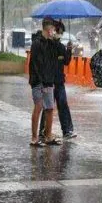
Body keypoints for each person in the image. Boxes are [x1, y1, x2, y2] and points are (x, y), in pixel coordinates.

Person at [39, 21, 77, 141]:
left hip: (59, 81)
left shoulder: (60, 46)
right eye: (58, 32)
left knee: (63, 105)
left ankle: (67, 130)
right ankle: (43, 131)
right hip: (48, 81)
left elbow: (66, 61)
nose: (59, 34)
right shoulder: (46, 45)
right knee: (48, 107)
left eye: (61, 33)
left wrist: (69, 50)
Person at [29, 17, 63, 147]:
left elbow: (61, 55)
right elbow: (36, 64)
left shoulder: (51, 43)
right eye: (53, 29)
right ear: (48, 29)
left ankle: (48, 136)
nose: (54, 31)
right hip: (38, 81)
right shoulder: (37, 43)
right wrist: (40, 81)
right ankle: (34, 138)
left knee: (49, 108)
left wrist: (56, 41)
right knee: (38, 107)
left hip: (49, 81)